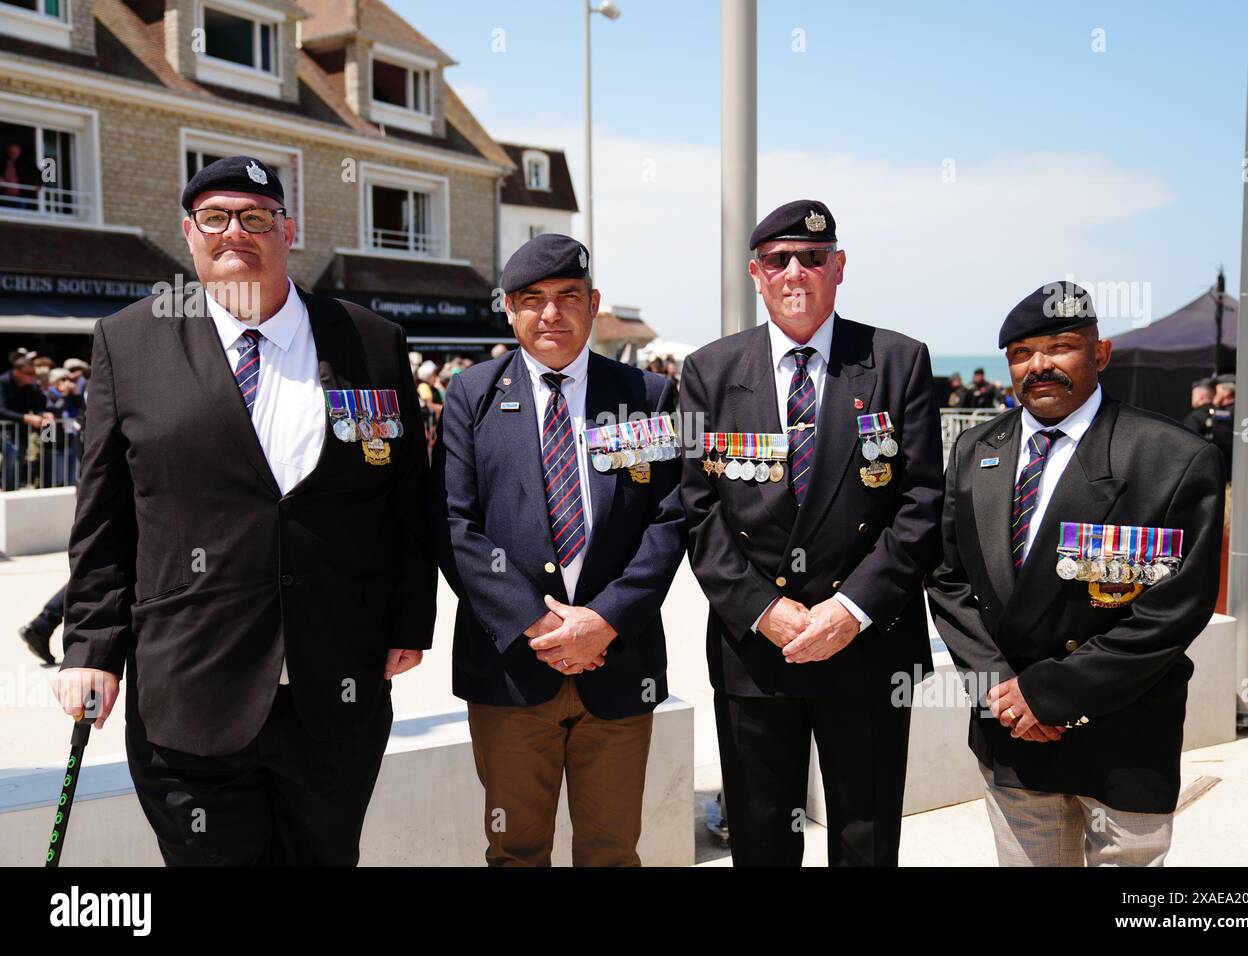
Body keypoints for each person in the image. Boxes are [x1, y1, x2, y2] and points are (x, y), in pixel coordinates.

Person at [55, 155, 436, 866]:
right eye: (215, 218)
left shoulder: (370, 342)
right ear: (188, 234)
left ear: (288, 230)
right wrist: (91, 649)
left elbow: (407, 500)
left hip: (335, 687)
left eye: (256, 217)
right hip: (190, 688)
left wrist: (409, 619)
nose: (237, 232)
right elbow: (104, 516)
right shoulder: (129, 342)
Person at [678, 200, 943, 866]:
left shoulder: (896, 360)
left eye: (813, 257)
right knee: (762, 840)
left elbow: (920, 502)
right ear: (756, 273)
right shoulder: (708, 372)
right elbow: (696, 507)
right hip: (757, 650)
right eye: (778, 259)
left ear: (839, 267)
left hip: (867, 642)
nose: (796, 271)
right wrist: (762, 609)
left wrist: (850, 610)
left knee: (866, 837)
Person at [926, 280, 1224, 866]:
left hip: (1123, 733)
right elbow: (948, 578)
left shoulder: (1171, 458)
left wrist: (1048, 694)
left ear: (1100, 354)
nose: (1039, 366)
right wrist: (1001, 694)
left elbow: (1176, 609)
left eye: (1061, 347)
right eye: (1020, 354)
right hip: (1010, 730)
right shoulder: (975, 450)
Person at [432, 234, 686, 866]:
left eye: (568, 296)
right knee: (516, 851)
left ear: (594, 304)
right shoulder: (470, 396)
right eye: (532, 300)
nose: (551, 313)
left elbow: (668, 519)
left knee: (612, 850)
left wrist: (603, 620)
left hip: (619, 662)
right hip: (512, 668)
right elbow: (453, 525)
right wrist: (540, 624)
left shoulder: (645, 396)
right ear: (509, 310)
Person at [1, 354, 51, 490]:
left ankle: (15, 487)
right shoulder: (3, 382)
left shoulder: (31, 386)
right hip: (4, 430)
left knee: (18, 457)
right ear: (16, 371)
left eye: (34, 372)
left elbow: (37, 405)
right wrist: (26, 418)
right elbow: (1, 410)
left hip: (20, 431)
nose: (33, 376)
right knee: (11, 453)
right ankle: (8, 489)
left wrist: (43, 414)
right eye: (29, 373)